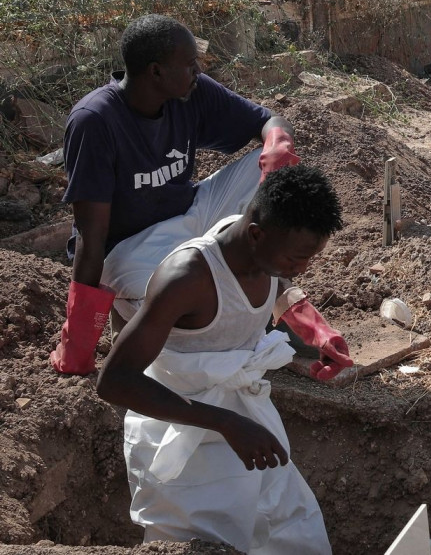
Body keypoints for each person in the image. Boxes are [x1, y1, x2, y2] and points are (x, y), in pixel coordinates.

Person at [96, 165, 345, 553]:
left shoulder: (260, 250)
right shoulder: (187, 278)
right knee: (203, 543)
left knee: (289, 529)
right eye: (296, 259)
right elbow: (114, 381)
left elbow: (278, 283)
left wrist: (317, 331)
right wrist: (226, 423)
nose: (302, 269)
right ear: (256, 234)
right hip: (181, 441)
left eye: (309, 259)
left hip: (245, 420)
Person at [50, 15, 299, 376]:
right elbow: (92, 236)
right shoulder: (95, 121)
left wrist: (279, 142)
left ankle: (273, 310)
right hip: (131, 250)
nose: (198, 70)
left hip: (190, 214)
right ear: (156, 72)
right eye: (188, 63)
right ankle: (159, 319)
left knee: (282, 172)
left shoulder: (190, 93)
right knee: (186, 301)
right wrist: (78, 341)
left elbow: (269, 120)